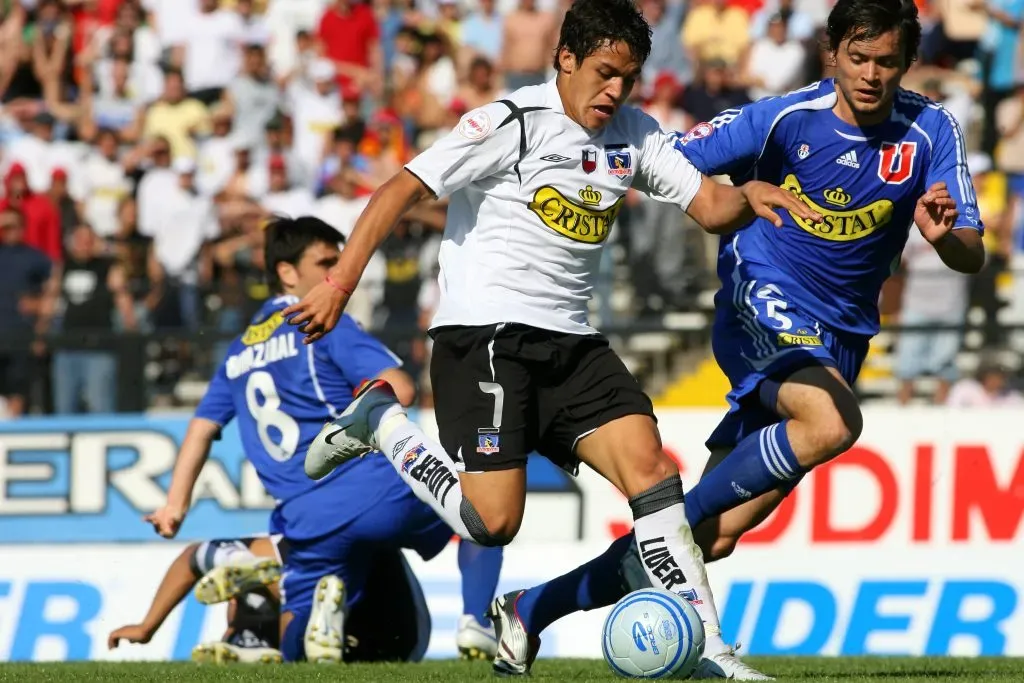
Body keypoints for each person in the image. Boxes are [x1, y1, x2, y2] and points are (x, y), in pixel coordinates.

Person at [287, 0, 818, 678]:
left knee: (653, 474)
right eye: (603, 73)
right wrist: (337, 284)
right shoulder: (510, 122)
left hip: (571, 342)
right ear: (564, 58)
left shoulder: (635, 135)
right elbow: (397, 189)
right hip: (486, 334)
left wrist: (756, 192)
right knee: (493, 522)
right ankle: (383, 422)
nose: (614, 92)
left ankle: (710, 648)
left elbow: (711, 208)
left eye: (626, 79)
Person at [481, 0, 986, 663]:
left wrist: (946, 239)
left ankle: (529, 607)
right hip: (762, 296)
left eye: (886, 61)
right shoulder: (780, 118)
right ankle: (666, 535)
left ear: (907, 63)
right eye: (857, 58)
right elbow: (667, 157)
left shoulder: (931, 130)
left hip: (842, 338)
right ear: (831, 54)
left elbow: (972, 251)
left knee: (711, 536)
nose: (870, 74)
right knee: (832, 422)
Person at [145, 216, 503, 663]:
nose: (339, 272)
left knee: (296, 652)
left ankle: (281, 611)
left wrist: (175, 505)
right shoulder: (323, 321)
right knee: (485, 508)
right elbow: (401, 388)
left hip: (306, 519)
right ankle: (476, 621)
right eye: (326, 262)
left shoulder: (236, 353)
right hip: (375, 491)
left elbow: (200, 428)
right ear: (287, 272)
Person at [107, 534, 444, 664]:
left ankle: (253, 643)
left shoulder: (293, 536)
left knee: (272, 581)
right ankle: (262, 644)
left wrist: (147, 626)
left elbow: (192, 557)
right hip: (402, 635)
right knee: (283, 581)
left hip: (398, 633)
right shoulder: (346, 518)